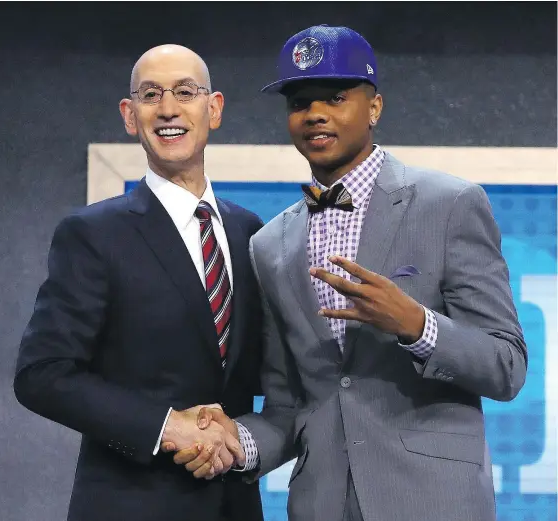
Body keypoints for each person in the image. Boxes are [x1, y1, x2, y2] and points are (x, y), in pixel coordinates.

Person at [175, 25, 528, 521]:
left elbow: (506, 366)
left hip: (434, 502)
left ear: (375, 107)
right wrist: (236, 440)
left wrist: (416, 325)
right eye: (300, 102)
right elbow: (288, 405)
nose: (315, 113)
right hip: (322, 504)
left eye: (336, 97)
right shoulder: (270, 245)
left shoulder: (450, 204)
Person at [13, 44, 265, 521]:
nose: (168, 108)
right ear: (130, 116)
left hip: (233, 505)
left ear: (214, 108)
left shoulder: (250, 232)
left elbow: (269, 376)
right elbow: (42, 374)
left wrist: (239, 441)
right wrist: (168, 427)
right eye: (152, 95)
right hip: (129, 505)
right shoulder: (92, 234)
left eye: (185, 92)